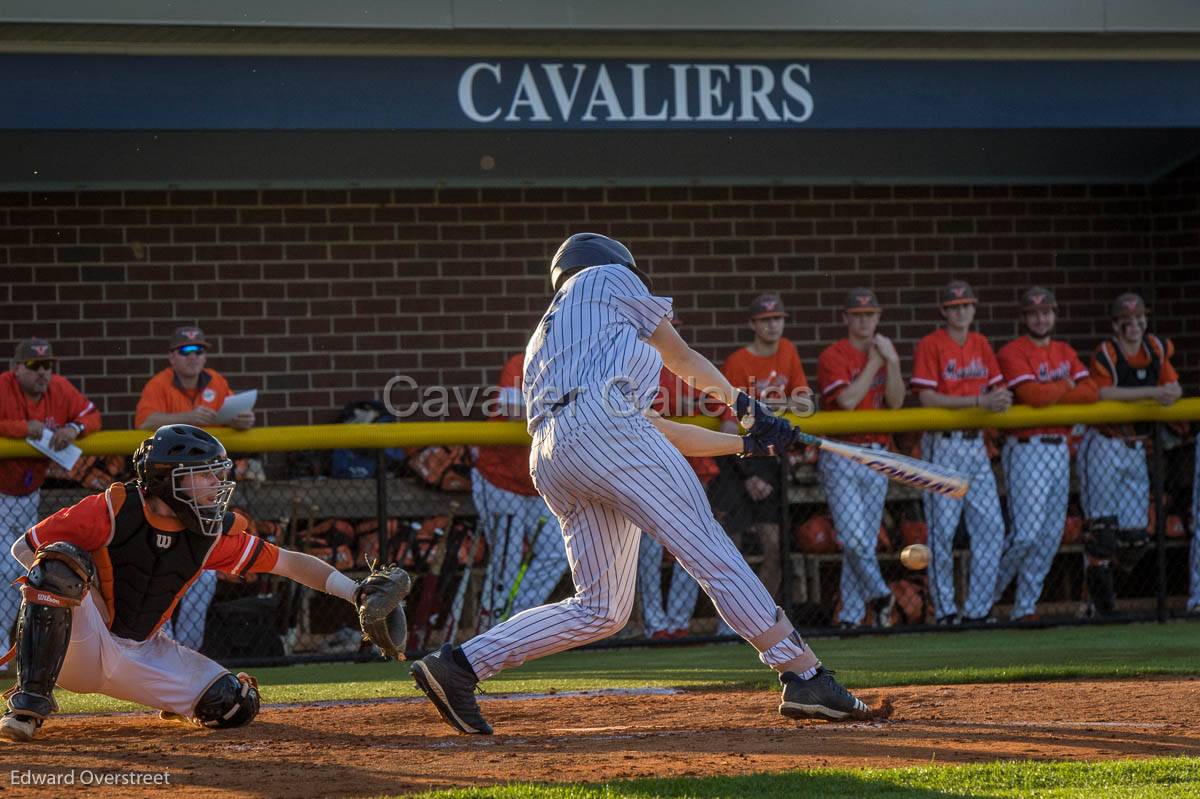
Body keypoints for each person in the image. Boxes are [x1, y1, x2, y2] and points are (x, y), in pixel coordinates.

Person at [410, 232, 873, 736]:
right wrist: (746, 409)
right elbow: (680, 358)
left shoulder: (551, 338)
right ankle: (803, 674)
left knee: (601, 609)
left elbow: (657, 432)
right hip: (603, 431)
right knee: (709, 548)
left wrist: (748, 444)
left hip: (554, 455)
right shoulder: (606, 277)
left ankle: (458, 665)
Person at [0, 424, 387, 741]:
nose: (215, 484)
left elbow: (288, 563)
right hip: (79, 645)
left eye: (216, 474)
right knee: (58, 564)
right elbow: (26, 547)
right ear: (167, 479)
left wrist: (355, 592)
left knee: (232, 706)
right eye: (203, 475)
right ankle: (29, 704)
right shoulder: (112, 508)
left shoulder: (209, 532)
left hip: (141, 649)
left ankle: (168, 696)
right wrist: (89, 598)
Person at [135, 325, 254, 651]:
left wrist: (239, 421)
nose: (194, 357)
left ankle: (186, 653)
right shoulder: (159, 384)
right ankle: (156, 647)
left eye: (199, 350)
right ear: (172, 356)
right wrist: (188, 416)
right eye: (186, 351)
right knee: (161, 571)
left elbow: (230, 412)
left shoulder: (215, 381)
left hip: (204, 487)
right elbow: (143, 423)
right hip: (168, 491)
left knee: (204, 574)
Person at [910, 281, 1012, 625]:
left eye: (966, 306)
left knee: (992, 528)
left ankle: (978, 610)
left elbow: (999, 388)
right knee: (943, 531)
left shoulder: (981, 344)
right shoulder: (931, 344)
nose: (960, 311)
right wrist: (980, 401)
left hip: (975, 444)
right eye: (954, 307)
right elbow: (927, 398)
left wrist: (1000, 399)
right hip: (943, 443)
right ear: (944, 311)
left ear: (974, 308)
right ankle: (946, 611)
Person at [995, 287, 1098, 621]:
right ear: (1024, 318)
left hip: (1058, 450)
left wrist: (1059, 393)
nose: (1041, 318)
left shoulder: (1065, 350)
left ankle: (1025, 607)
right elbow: (1031, 396)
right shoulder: (1013, 351)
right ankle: (985, 599)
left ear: (1054, 315)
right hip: (1027, 449)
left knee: (1049, 536)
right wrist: (1066, 387)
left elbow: (1092, 392)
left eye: (1046, 312)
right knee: (1025, 534)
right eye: (1034, 313)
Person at [0, 338, 101, 671]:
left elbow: (91, 415)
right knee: (3, 572)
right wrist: (20, 429)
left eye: (47, 365)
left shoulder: (58, 388)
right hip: (0, 493)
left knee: (22, 570)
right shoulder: (3, 387)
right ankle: (2, 650)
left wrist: (73, 427)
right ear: (16, 369)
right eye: (33, 366)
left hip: (30, 493)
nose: (43, 372)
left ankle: (11, 647)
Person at [1078, 292, 1181, 617]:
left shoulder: (1155, 348)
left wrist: (1172, 391)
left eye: (1139, 319)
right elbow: (1103, 392)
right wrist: (1153, 393)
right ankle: (1100, 607)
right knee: (1103, 534)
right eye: (1127, 321)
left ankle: (1094, 586)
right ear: (1116, 325)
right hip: (1106, 444)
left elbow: (1173, 385)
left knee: (1136, 539)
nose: (1134, 326)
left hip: (1137, 446)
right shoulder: (1108, 352)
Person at [715, 293, 814, 600]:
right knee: (730, 544)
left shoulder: (788, 351)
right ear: (752, 324)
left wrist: (764, 408)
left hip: (772, 459)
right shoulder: (737, 362)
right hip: (740, 460)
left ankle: (763, 614)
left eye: (777, 319)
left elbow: (806, 403)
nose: (772, 326)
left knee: (776, 546)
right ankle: (729, 615)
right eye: (765, 320)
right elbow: (729, 423)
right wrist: (747, 474)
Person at [816, 288, 904, 629]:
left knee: (863, 544)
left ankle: (852, 617)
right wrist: (875, 363)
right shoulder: (834, 355)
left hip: (878, 454)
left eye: (870, 314)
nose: (865, 320)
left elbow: (896, 402)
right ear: (846, 318)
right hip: (843, 453)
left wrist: (892, 362)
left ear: (878, 317)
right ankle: (881, 595)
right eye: (858, 315)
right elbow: (848, 401)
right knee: (853, 539)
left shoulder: (885, 352)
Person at [471, 353, 569, 632]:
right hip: (499, 477)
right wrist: (564, 407)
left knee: (556, 554)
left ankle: (515, 622)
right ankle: (487, 630)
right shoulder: (523, 362)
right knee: (507, 561)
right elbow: (512, 408)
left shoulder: (575, 365)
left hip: (538, 483)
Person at [637, 314, 718, 640]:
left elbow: (717, 404)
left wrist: (694, 404)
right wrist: (679, 406)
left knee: (692, 546)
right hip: (648, 472)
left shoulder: (687, 365)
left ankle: (679, 622)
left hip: (690, 469)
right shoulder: (635, 365)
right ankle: (656, 625)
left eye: (674, 330)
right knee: (649, 551)